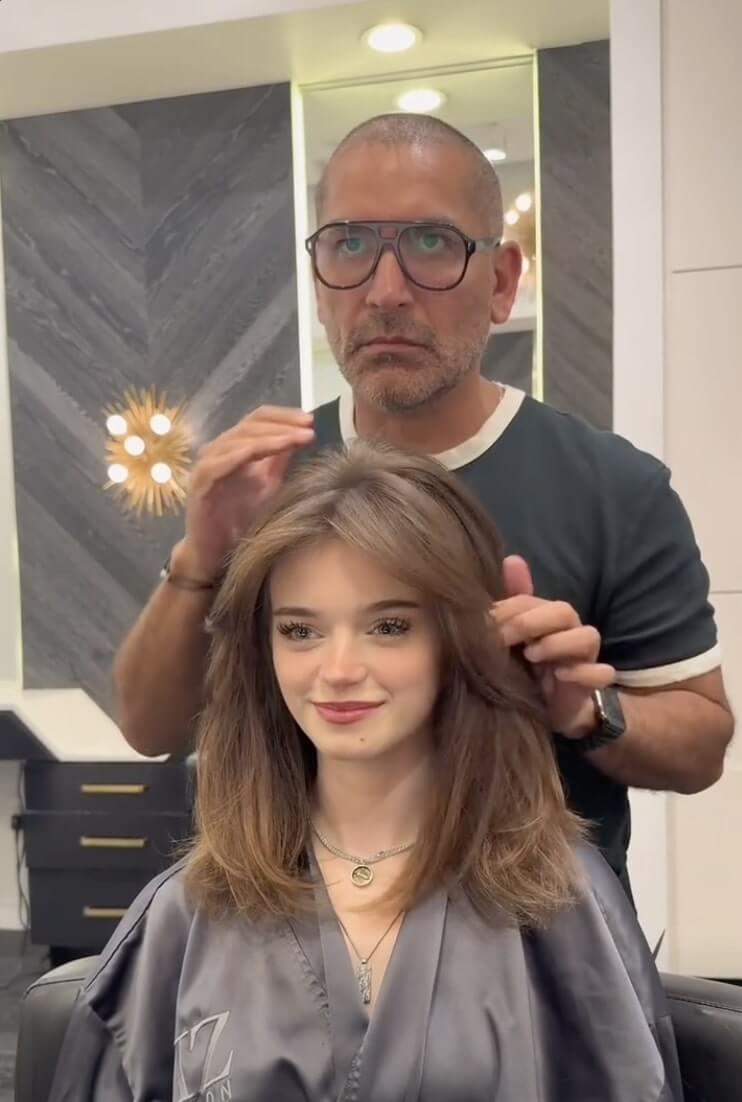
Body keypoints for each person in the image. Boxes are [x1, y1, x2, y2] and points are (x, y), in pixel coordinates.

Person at [114, 112, 733, 896]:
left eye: (432, 243)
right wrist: (201, 556)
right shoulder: (263, 482)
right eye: (349, 246)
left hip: (541, 944)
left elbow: (701, 747)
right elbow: (150, 728)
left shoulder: (614, 488)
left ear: (501, 281)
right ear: (318, 282)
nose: (385, 292)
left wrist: (588, 712)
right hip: (299, 940)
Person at [52, 445, 683, 1101]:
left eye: (388, 626)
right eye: (301, 632)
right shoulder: (183, 915)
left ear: (456, 641)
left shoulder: (564, 896)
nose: (339, 670)